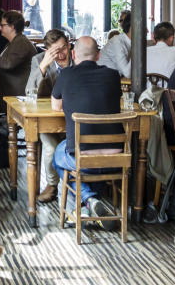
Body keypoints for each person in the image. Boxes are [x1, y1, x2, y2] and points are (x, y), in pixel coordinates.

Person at [51, 36, 122, 226]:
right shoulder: (113, 75)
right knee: (80, 158)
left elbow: (56, 106)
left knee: (58, 154)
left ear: (73, 54)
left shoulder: (66, 75)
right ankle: (93, 203)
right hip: (117, 159)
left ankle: (89, 200)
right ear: (98, 55)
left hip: (84, 158)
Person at [25, 29, 71, 204]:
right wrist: (43, 67)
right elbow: (29, 91)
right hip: (48, 118)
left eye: (63, 49)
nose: (61, 55)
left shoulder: (77, 59)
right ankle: (52, 185)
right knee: (51, 147)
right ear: (47, 51)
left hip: (74, 116)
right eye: (55, 51)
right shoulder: (38, 61)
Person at [0, 10, 37, 98]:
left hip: (19, 95)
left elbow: (8, 64)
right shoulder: (13, 41)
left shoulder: (21, 43)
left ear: (12, 27)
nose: (0, 28)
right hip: (11, 91)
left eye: (2, 25)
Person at [99, 12, 132, 78]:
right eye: (144, 27)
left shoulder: (127, 41)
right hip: (102, 81)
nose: (147, 31)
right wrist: (137, 50)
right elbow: (127, 73)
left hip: (113, 79)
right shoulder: (118, 42)